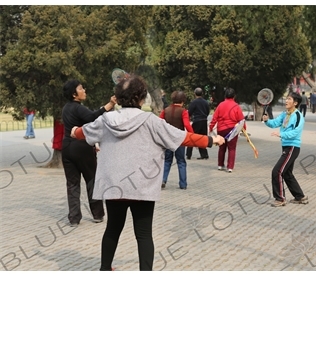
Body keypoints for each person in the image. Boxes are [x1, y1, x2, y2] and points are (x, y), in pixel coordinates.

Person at [70, 75, 225, 270]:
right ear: (142, 98)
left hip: (114, 187)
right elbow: (182, 138)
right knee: (143, 234)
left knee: (112, 230)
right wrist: (212, 141)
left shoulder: (106, 120)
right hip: (141, 187)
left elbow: (82, 133)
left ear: (117, 97)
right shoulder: (151, 121)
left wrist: (74, 131)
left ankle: (105, 269)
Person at [61, 80, 117, 226]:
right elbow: (93, 117)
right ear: (74, 94)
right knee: (92, 180)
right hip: (81, 147)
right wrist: (110, 104)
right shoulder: (78, 108)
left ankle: (74, 218)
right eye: (81, 88)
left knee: (72, 184)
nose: (84, 90)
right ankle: (97, 214)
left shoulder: (66, 108)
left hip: (67, 147)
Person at [262, 92, 308, 206]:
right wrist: (267, 121)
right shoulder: (285, 114)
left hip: (292, 147)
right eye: (286, 98)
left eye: (289, 99)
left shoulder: (298, 116)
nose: (286, 101)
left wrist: (282, 135)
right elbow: (275, 123)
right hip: (286, 146)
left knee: (277, 171)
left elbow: (296, 132)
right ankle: (300, 197)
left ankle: (280, 199)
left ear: (295, 103)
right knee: (287, 173)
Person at [160, 91, 193, 189]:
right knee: (181, 161)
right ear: (183, 101)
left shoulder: (165, 110)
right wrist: (193, 135)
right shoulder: (184, 111)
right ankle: (183, 184)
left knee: (167, 160)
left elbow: (160, 122)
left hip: (168, 139)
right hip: (179, 139)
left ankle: (163, 180)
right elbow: (187, 125)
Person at [209, 87, 246, 173]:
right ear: (234, 96)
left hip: (221, 129)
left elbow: (214, 118)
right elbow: (241, 120)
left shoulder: (220, 105)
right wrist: (244, 130)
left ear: (225, 95)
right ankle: (230, 167)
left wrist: (211, 127)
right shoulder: (236, 106)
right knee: (232, 149)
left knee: (221, 148)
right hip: (232, 130)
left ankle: (220, 165)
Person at [186, 87, 210, 160]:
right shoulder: (206, 102)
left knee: (192, 137)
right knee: (203, 137)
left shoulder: (194, 102)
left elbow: (189, 112)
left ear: (194, 93)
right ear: (202, 93)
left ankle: (188, 154)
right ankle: (204, 154)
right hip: (204, 121)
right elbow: (208, 111)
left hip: (197, 121)